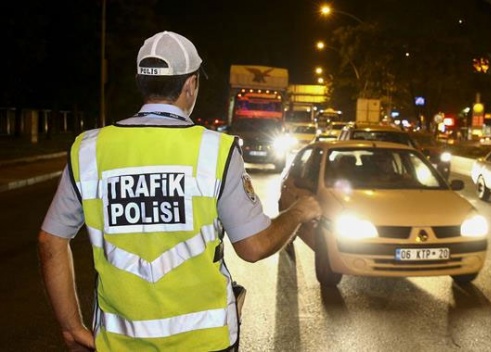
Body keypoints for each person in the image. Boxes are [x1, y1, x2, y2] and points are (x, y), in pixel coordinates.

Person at [37, 31, 322, 352]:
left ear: (141, 83)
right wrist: (299, 211)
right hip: (205, 342)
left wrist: (71, 327)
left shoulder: (88, 150)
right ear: (190, 85)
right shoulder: (217, 151)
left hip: (120, 343)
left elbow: (51, 242)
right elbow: (254, 247)